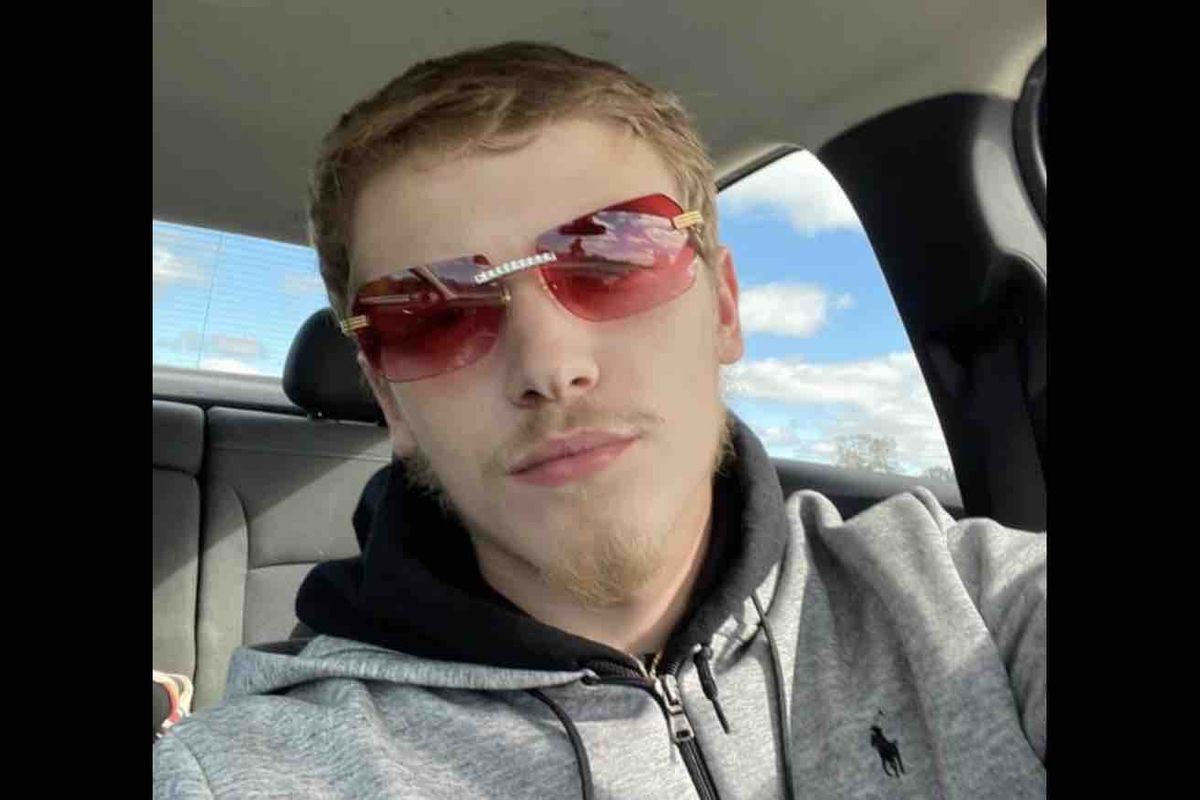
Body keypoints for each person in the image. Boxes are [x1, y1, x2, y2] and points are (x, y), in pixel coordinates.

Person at [152, 42, 1046, 799]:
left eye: (612, 258)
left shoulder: (966, 602)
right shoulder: (241, 775)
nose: (549, 365)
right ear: (390, 399)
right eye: (434, 314)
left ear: (723, 309)